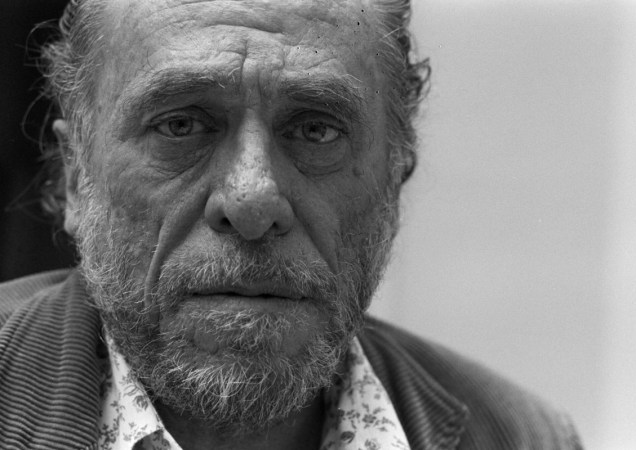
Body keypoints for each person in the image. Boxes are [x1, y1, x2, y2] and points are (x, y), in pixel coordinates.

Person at [0, 1, 582, 449]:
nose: (252, 201)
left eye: (316, 130)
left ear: (395, 174)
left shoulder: (520, 435)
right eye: (181, 125)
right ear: (75, 173)